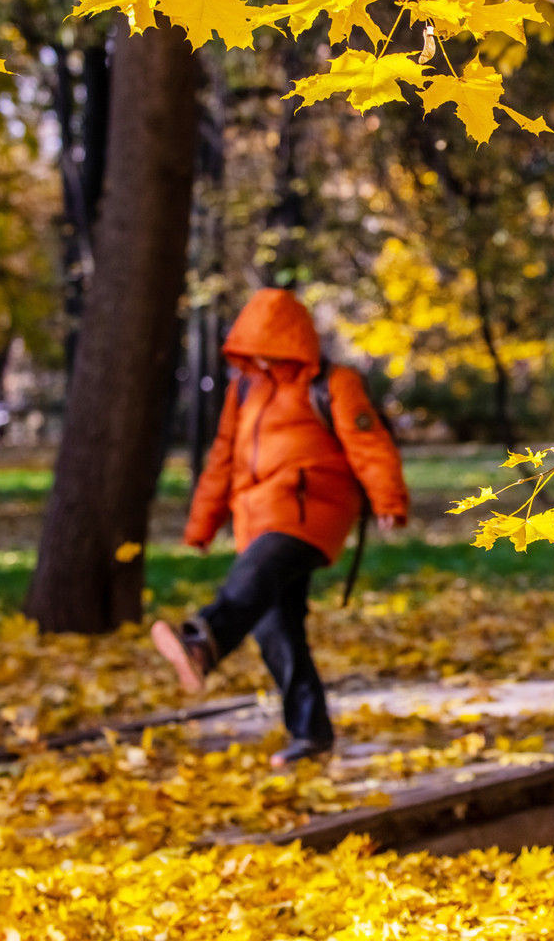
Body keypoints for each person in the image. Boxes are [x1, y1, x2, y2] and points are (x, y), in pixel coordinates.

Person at [151, 288, 409, 767]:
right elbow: (223, 456)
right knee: (277, 628)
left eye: (269, 347)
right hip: (256, 515)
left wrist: (388, 498)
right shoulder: (244, 389)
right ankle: (310, 735)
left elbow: (368, 443)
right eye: (253, 349)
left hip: (311, 510)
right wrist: (202, 522)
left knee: (254, 577)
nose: (262, 358)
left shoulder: (334, 383)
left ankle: (203, 641)